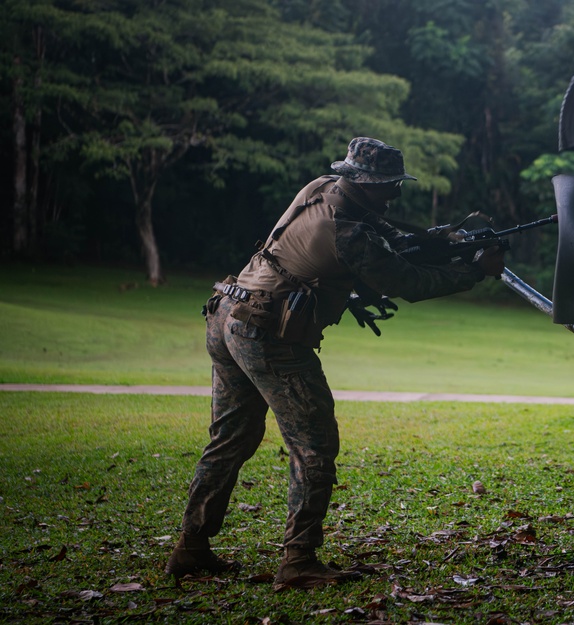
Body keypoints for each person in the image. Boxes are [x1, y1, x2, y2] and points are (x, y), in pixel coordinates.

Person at [165, 137, 504, 585]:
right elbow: (409, 281)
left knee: (232, 437)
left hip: (229, 311)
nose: (394, 194)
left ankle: (191, 546)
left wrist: (440, 238)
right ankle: (298, 561)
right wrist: (473, 271)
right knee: (315, 444)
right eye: (388, 186)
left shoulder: (322, 188)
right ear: (363, 183)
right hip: (266, 332)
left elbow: (381, 240)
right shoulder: (351, 232)